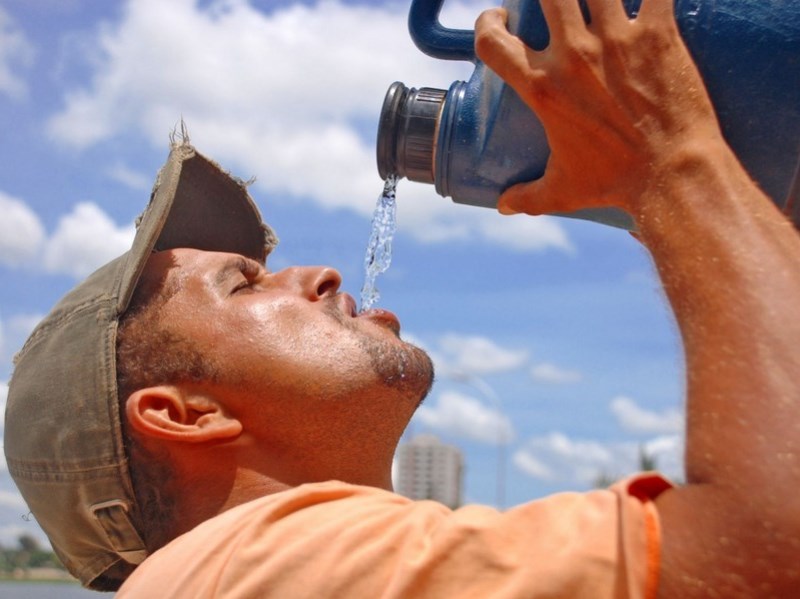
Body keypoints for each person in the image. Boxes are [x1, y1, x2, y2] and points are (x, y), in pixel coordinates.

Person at [4, 0, 799, 596]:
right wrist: (672, 153)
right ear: (185, 413)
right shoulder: (261, 561)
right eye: (243, 282)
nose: (316, 275)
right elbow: (773, 547)